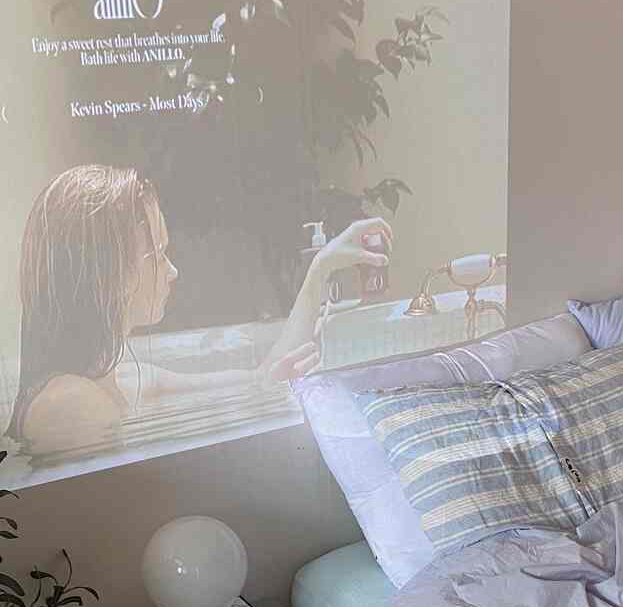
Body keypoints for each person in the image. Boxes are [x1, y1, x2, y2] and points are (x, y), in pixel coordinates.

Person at [7, 165, 392, 458]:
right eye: (155, 255)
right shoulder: (71, 404)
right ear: (105, 274)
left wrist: (320, 270)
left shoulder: (118, 378)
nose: (172, 271)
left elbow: (262, 380)